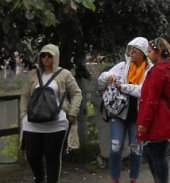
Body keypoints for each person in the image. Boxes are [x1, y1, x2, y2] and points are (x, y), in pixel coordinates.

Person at [20, 44, 83, 183]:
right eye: (43, 55)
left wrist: (72, 113)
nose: (46, 58)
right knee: (32, 155)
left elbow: (77, 93)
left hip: (57, 123)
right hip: (33, 122)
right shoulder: (32, 74)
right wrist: (23, 115)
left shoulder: (64, 74)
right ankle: (39, 177)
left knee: (52, 156)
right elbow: (24, 95)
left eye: (49, 55)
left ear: (56, 57)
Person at [98, 37, 152, 183]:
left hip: (138, 116)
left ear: (143, 53)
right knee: (115, 146)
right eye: (130, 49)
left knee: (136, 149)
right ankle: (114, 178)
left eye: (135, 50)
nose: (131, 52)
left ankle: (134, 178)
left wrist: (125, 87)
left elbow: (144, 91)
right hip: (119, 113)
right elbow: (101, 78)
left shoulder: (150, 70)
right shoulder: (122, 66)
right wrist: (109, 76)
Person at [137, 37, 170, 183]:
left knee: (156, 155)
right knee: (151, 153)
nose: (148, 54)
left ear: (158, 52)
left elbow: (152, 99)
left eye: (149, 51)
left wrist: (144, 122)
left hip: (158, 120)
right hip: (162, 118)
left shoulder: (159, 71)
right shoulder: (168, 68)